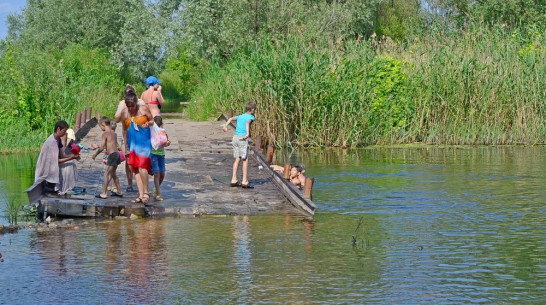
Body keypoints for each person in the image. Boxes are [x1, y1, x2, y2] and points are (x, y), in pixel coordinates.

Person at [119, 92, 155, 204]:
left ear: (136, 104)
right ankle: (140, 194)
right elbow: (124, 130)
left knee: (143, 166)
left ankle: (146, 192)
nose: (131, 109)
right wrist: (125, 146)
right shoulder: (124, 113)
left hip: (144, 142)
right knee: (135, 168)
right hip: (132, 143)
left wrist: (148, 124)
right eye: (128, 107)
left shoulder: (144, 109)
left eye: (132, 106)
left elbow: (152, 121)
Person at [34, 120, 81, 195]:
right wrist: (71, 158)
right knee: (69, 165)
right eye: (64, 131)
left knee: (71, 163)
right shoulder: (52, 142)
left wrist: (73, 156)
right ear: (58, 129)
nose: (65, 133)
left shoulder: (58, 140)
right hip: (47, 169)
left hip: (53, 165)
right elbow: (56, 161)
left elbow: (63, 155)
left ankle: (66, 187)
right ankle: (57, 187)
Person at [115, 84, 145, 192]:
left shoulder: (141, 102)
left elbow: (147, 117)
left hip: (139, 135)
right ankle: (130, 183)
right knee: (128, 160)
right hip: (127, 134)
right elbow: (117, 119)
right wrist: (124, 109)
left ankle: (141, 184)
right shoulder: (122, 104)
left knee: (140, 160)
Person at [223, 101, 256, 189]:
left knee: (237, 158)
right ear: (252, 109)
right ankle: (244, 181)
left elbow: (230, 119)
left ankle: (233, 180)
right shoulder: (251, 117)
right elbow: (247, 123)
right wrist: (247, 134)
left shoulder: (241, 116)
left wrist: (225, 126)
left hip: (235, 138)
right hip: (242, 138)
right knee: (245, 159)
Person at [91, 117, 123, 199]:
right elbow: (111, 145)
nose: (101, 129)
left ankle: (104, 193)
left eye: (100, 127)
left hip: (112, 155)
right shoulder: (114, 134)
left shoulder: (105, 134)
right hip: (117, 154)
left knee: (106, 174)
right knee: (113, 174)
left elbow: (102, 147)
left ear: (103, 125)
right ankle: (119, 191)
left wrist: (95, 154)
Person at [150, 116, 171, 201]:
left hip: (161, 155)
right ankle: (158, 193)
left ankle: (156, 188)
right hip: (153, 154)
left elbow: (168, 141)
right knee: (157, 173)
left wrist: (166, 143)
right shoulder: (152, 132)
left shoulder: (163, 132)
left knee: (162, 174)